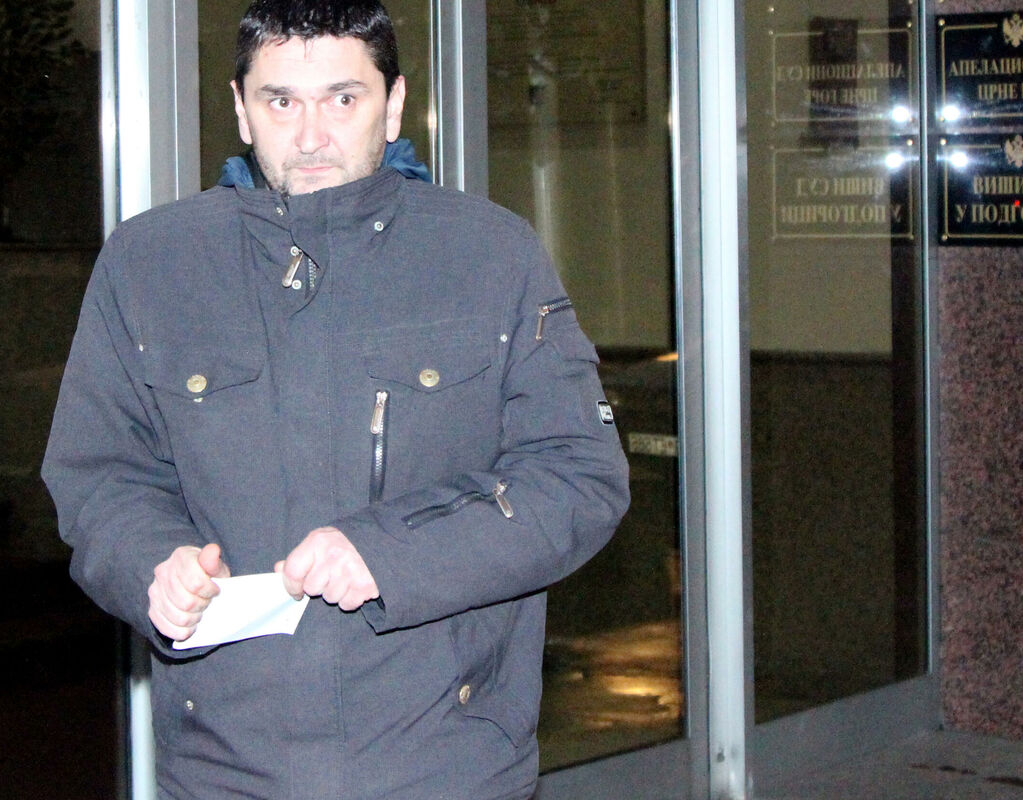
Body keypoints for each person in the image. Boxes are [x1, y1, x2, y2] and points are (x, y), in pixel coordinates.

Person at [41, 2, 629, 798]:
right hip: (223, 770)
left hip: (447, 765)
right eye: (281, 101)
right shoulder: (150, 265)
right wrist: (152, 561)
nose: (311, 135)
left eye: (342, 99)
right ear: (241, 109)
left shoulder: (492, 255)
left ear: (394, 103)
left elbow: (578, 477)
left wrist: (389, 554)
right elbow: (99, 476)